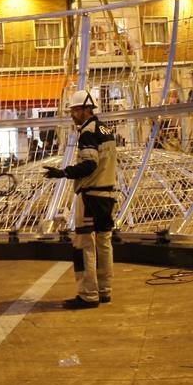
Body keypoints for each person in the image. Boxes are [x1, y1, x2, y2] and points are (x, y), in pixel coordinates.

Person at [43, 90, 119, 309]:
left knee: (84, 244)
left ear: (88, 108)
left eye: (76, 110)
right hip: (108, 195)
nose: (73, 114)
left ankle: (88, 294)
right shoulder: (106, 130)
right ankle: (105, 291)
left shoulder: (88, 132)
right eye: (72, 110)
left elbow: (89, 165)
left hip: (91, 196)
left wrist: (63, 172)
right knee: (104, 243)